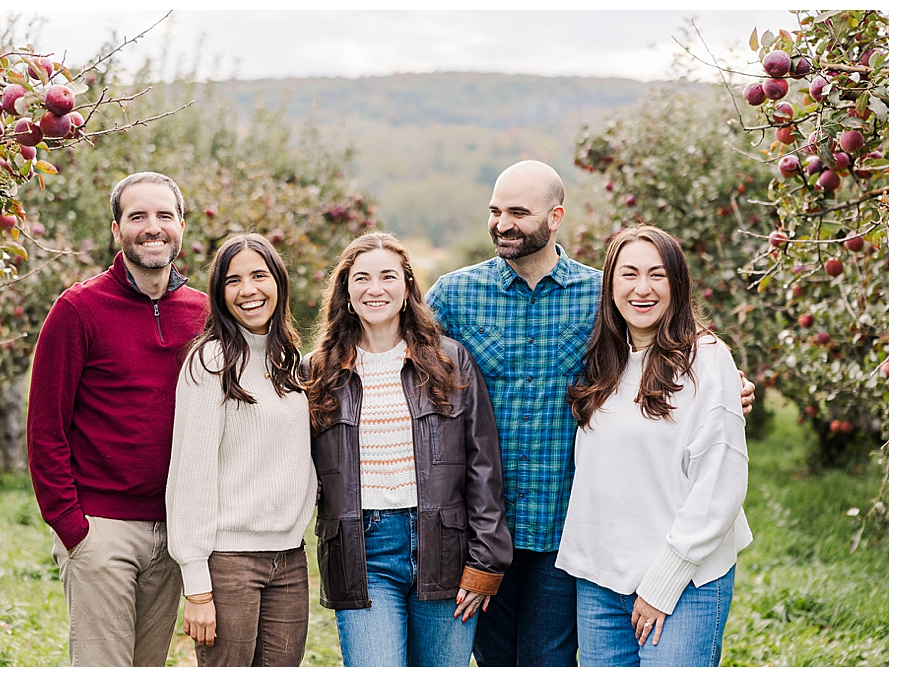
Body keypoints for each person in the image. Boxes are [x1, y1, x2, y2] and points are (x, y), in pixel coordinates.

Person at [425, 161, 753, 666]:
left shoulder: (602, 298)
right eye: (495, 211)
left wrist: (726, 392)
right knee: (493, 661)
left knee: (549, 662)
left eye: (518, 212)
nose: (502, 223)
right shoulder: (454, 294)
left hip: (564, 534)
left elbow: (667, 351)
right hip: (485, 530)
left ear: (555, 217)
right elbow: (400, 363)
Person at [27, 171, 209, 667]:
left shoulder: (204, 313)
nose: (153, 228)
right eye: (138, 217)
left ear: (181, 225)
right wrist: (72, 526)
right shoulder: (79, 309)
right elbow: (45, 426)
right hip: (101, 527)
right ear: (116, 229)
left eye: (163, 215)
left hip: (175, 530)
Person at [308, 232, 511, 666]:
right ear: (345, 291)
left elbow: (483, 468)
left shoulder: (450, 361)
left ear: (407, 288)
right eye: (361, 278)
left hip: (446, 548)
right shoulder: (318, 372)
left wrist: (486, 562)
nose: (374, 288)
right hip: (362, 551)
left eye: (387, 277)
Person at [558, 226, 751, 667]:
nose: (641, 289)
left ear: (677, 284)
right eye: (628, 274)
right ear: (610, 286)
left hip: (685, 583)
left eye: (657, 275)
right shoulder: (604, 360)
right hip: (599, 581)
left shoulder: (708, 360)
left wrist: (663, 583)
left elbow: (720, 484)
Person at [165, 234, 317, 667]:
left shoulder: (289, 361)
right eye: (233, 281)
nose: (248, 290)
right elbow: (189, 475)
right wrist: (196, 584)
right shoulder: (210, 362)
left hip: (290, 559)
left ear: (278, 283)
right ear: (219, 293)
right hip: (229, 563)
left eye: (259, 275)